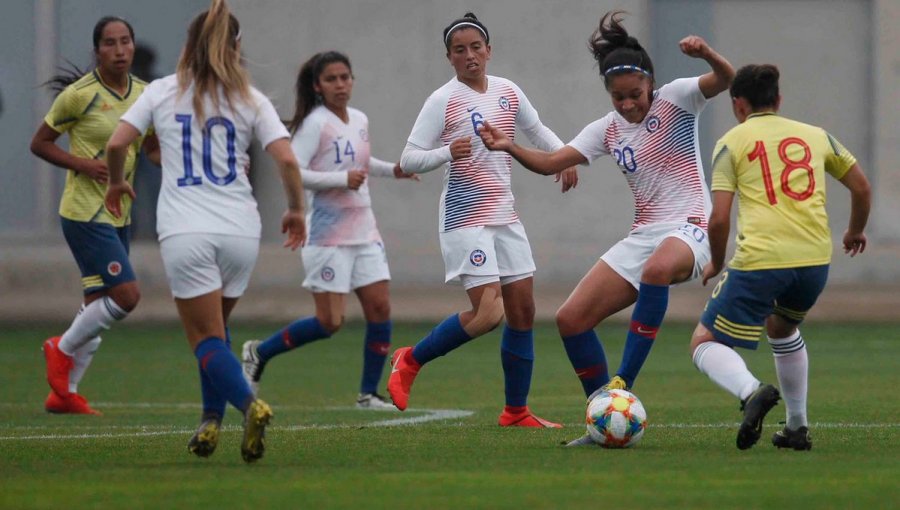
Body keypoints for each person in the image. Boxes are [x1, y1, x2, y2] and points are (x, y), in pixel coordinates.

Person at [479, 10, 734, 443]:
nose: (629, 103)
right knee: (571, 319)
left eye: (635, 94)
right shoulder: (607, 129)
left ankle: (622, 385)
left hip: (690, 227)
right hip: (645, 233)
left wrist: (707, 53)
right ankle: (605, 419)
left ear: (650, 84)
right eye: (619, 97)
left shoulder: (677, 98)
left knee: (656, 270)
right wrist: (509, 146)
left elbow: (726, 79)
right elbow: (550, 164)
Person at [104, 0, 306, 463]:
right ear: (235, 47)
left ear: (188, 46)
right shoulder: (248, 97)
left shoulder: (161, 90)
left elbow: (117, 143)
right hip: (240, 230)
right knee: (217, 329)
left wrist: (117, 181)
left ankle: (250, 406)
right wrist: (296, 210)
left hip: (186, 230)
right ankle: (210, 423)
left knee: (205, 338)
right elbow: (287, 159)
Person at [388, 12, 573, 428]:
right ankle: (410, 360)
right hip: (464, 216)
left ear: (489, 51)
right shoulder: (443, 100)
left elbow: (537, 130)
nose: (469, 55)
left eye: (476, 47)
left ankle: (516, 411)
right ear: (449, 58)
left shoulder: (508, 90)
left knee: (522, 312)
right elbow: (409, 158)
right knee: (489, 316)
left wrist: (565, 156)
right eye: (460, 50)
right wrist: (444, 153)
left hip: (504, 215)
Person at [688, 64, 871, 450]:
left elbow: (719, 217)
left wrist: (716, 261)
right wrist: (854, 231)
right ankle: (796, 428)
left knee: (704, 342)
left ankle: (751, 391)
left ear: (738, 105)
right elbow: (862, 187)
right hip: (814, 263)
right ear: (779, 100)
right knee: (782, 328)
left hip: (762, 260)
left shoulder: (731, 142)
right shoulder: (816, 135)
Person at [240, 51, 417, 409]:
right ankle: (259, 351)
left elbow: (361, 164)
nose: (340, 84)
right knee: (329, 322)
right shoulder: (314, 124)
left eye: (345, 77)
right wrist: (340, 179)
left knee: (380, 309)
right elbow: (294, 171)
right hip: (327, 234)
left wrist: (394, 170)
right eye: (332, 79)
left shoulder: (360, 119)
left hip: (364, 229)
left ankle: (368, 394)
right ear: (317, 86)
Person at [31, 16, 159, 415]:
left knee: (96, 306)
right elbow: (40, 144)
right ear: (97, 50)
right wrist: (83, 165)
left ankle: (63, 394)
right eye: (110, 43)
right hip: (85, 213)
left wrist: (190, 168)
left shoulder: (145, 94)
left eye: (125, 42)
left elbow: (151, 149)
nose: (119, 50)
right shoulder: (79, 95)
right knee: (127, 297)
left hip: (119, 214)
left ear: (133, 46)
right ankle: (61, 347)